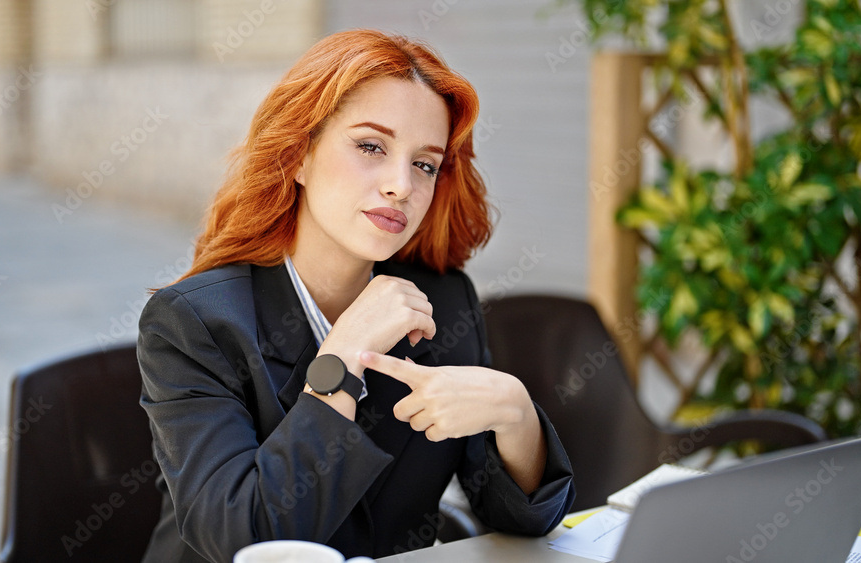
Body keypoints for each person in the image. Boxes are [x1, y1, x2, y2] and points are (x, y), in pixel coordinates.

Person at [137, 29, 575, 563]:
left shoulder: (443, 302)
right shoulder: (193, 324)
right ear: (298, 155)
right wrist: (342, 357)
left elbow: (519, 519)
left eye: (424, 164)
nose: (400, 186)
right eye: (371, 146)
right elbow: (247, 539)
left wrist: (516, 413)